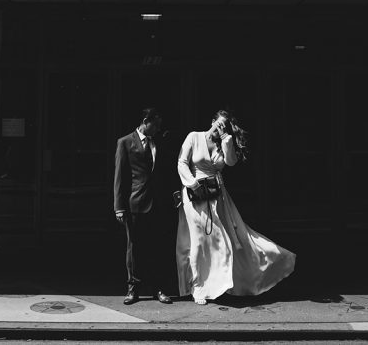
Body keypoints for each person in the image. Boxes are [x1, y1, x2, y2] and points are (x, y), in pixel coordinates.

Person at [176, 109, 295, 304]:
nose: (219, 128)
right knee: (199, 241)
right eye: (218, 123)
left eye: (224, 126)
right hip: (194, 194)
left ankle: (218, 283)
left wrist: (226, 141)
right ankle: (197, 287)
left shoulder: (224, 143)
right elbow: (181, 163)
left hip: (217, 195)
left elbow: (231, 162)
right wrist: (193, 184)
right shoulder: (194, 137)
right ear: (212, 121)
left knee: (230, 239)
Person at [114, 107, 175, 305]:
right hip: (136, 202)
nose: (158, 128)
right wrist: (119, 207)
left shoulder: (160, 141)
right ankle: (133, 289)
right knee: (134, 247)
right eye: (155, 124)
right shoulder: (125, 142)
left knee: (158, 247)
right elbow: (120, 177)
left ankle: (159, 288)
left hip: (158, 203)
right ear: (145, 120)